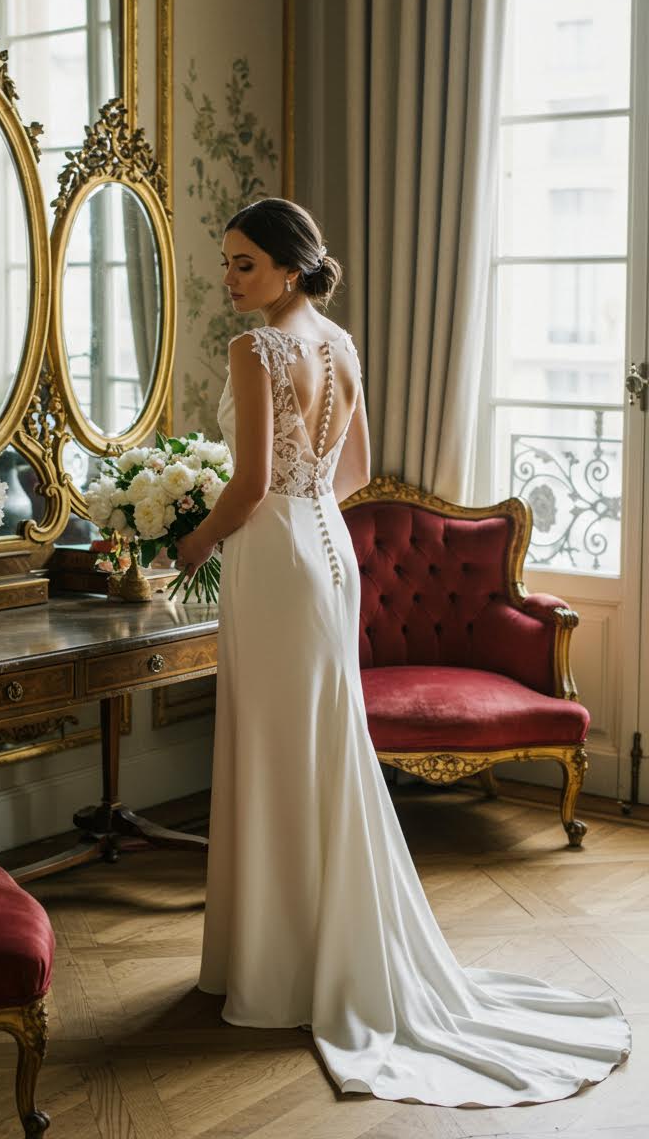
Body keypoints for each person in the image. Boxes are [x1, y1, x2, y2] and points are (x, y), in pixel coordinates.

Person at [173, 197, 630, 1107]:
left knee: (277, 752)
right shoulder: (338, 344)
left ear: (289, 269)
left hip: (273, 559)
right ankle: (316, 952)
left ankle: (276, 967)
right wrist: (294, 519)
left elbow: (254, 482)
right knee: (319, 750)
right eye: (225, 262)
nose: (229, 278)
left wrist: (191, 541)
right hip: (327, 554)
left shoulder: (255, 350)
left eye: (244, 264)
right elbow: (352, 474)